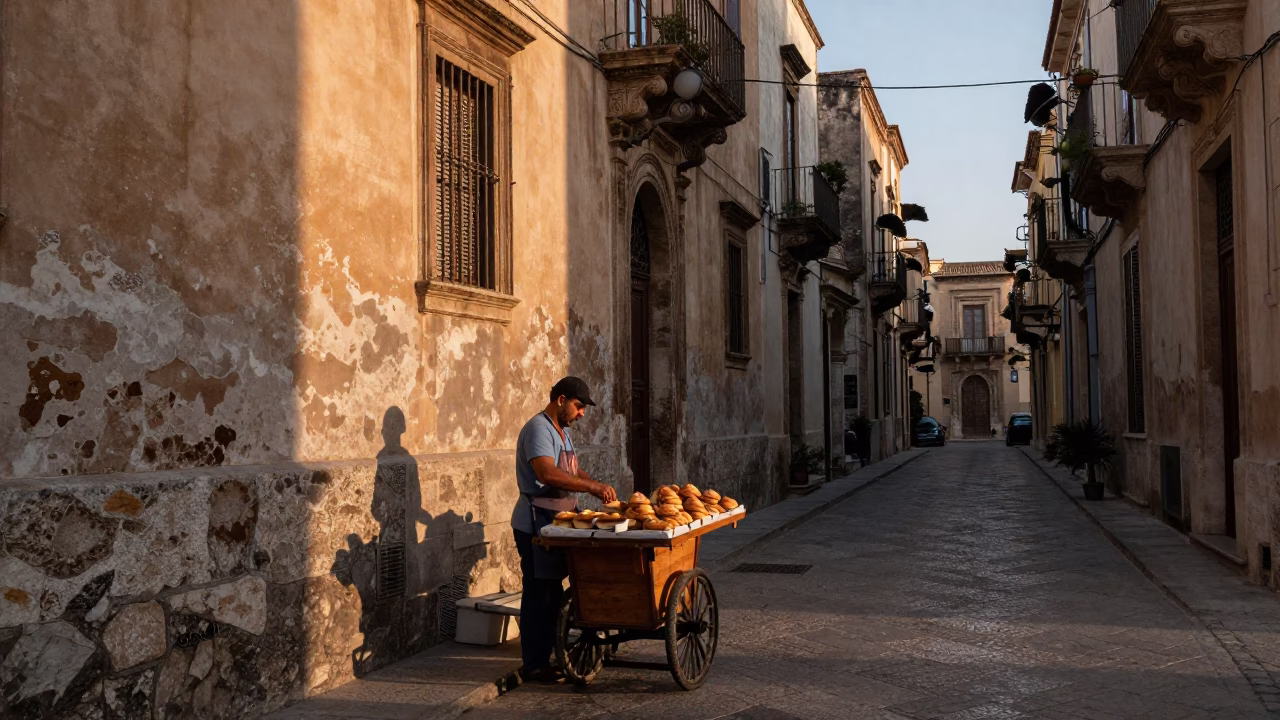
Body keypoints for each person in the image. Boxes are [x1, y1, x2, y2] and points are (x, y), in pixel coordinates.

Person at [511, 376, 617, 683]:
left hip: (559, 524)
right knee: (538, 593)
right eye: (579, 406)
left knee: (553, 592)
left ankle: (551, 654)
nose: (581, 413)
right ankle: (534, 663)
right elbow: (547, 472)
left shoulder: (563, 432)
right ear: (561, 400)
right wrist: (591, 486)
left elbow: (570, 470)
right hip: (536, 524)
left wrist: (594, 484)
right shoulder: (538, 429)